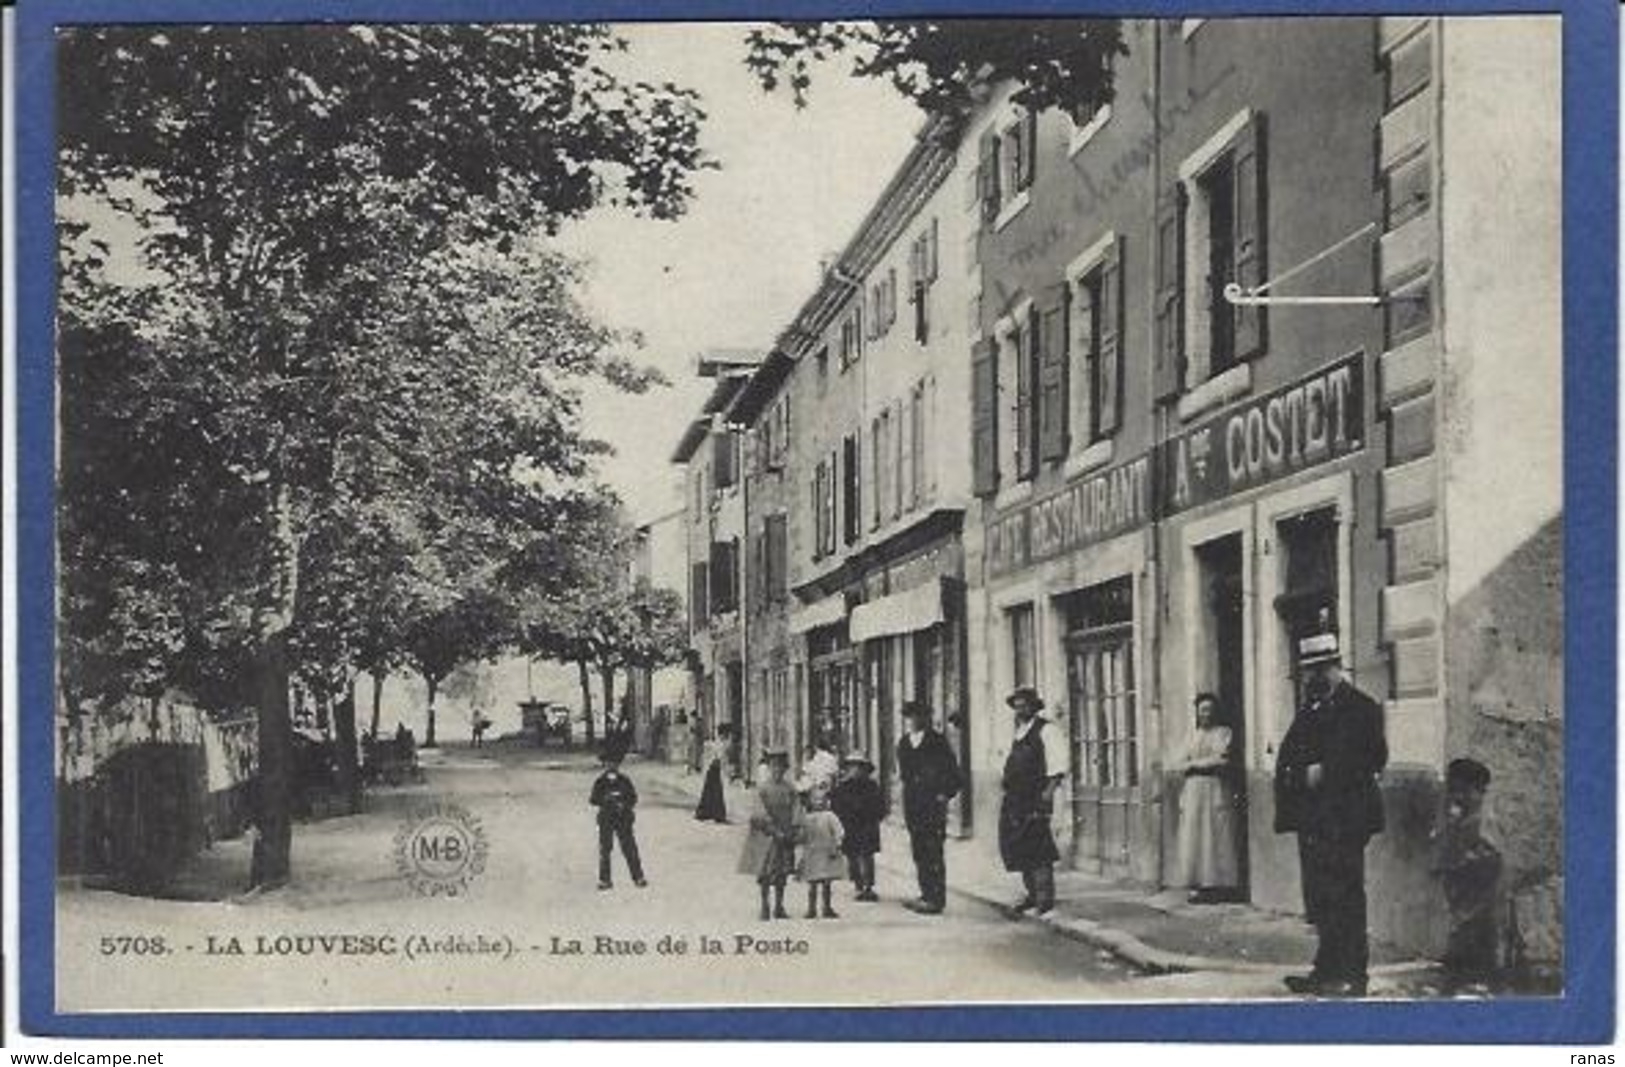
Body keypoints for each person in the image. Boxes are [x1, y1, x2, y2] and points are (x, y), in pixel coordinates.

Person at [1274, 631, 1388, 997]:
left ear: (1334, 667)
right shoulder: (1311, 708)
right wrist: (1297, 774)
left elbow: (1375, 758)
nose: (1311, 678)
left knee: (1347, 896)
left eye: (1318, 670)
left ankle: (1356, 976)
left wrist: (1326, 770)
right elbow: (1290, 754)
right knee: (1321, 898)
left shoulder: (1362, 708)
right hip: (1314, 820)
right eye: (1308, 671)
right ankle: (1325, 971)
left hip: (1347, 819)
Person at [1433, 756, 1502, 992]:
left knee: (1475, 928)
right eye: (1453, 791)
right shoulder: (1460, 817)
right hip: (1461, 887)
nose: (1457, 797)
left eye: (1463, 791)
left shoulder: (1483, 820)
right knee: (1461, 926)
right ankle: (1462, 973)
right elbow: (1449, 847)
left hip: (1477, 887)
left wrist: (1465, 862)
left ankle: (1476, 977)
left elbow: (1491, 856)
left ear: (1478, 791)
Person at [999, 686, 1063, 915]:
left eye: (1024, 705)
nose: (1019, 709)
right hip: (1016, 799)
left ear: (1033, 706)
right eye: (1016, 705)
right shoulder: (1019, 732)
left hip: (1035, 796)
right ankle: (1032, 895)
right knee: (1020, 847)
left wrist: (1048, 794)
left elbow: (1057, 766)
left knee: (1039, 847)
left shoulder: (1046, 731)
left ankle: (1045, 898)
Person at [1174, 692, 1242, 903]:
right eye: (1202, 710)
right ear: (1197, 712)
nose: (1206, 714)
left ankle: (1219, 884)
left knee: (1215, 834)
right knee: (1195, 834)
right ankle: (1198, 884)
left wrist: (1195, 764)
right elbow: (1180, 761)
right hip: (1194, 790)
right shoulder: (1192, 736)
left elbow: (1221, 760)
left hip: (1214, 787)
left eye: (1210, 710)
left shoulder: (1223, 733)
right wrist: (1193, 764)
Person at [896, 700, 962, 915]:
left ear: (926, 718)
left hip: (932, 802)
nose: (915, 720)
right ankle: (925, 893)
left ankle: (936, 898)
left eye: (919, 716)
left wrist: (945, 793)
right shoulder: (904, 743)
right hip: (913, 802)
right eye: (911, 716)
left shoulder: (937, 741)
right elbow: (904, 774)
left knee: (933, 849)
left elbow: (953, 771)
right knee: (918, 850)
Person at [737, 748, 803, 921]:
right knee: (765, 872)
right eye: (774, 767)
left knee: (782, 872)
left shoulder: (790, 788)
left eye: (781, 767)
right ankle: (765, 905)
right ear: (769, 768)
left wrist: (795, 827)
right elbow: (759, 811)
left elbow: (797, 808)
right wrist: (772, 828)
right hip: (766, 836)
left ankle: (779, 906)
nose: (777, 770)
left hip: (785, 833)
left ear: (785, 769)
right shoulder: (763, 789)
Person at [589, 749, 647, 890]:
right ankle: (605, 880)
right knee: (605, 849)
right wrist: (605, 800)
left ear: (618, 765)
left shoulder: (625, 781)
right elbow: (593, 799)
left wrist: (624, 804)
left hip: (623, 818)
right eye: (608, 763)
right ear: (605, 764)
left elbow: (633, 798)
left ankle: (638, 877)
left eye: (614, 763)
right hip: (606, 818)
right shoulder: (600, 781)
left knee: (629, 848)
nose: (611, 766)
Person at [830, 751, 884, 902]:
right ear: (847, 769)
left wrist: (874, 817)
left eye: (859, 767)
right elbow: (836, 806)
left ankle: (868, 886)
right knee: (852, 856)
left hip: (867, 826)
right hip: (850, 827)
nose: (856, 770)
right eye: (852, 767)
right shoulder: (842, 787)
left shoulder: (872, 786)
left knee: (867, 856)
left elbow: (880, 806)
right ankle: (858, 885)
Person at [798, 789, 845, 919]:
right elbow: (802, 835)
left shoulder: (830, 816)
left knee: (826, 882)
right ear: (810, 802)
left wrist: (837, 844)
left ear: (826, 802)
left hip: (827, 851)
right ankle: (811, 908)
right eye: (815, 800)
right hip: (812, 852)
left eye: (821, 800)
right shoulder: (806, 818)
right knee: (812, 883)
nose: (818, 803)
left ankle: (827, 907)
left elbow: (839, 831)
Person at [795, 732, 841, 809]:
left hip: (824, 796)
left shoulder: (826, 759)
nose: (806, 754)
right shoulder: (808, 762)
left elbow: (832, 778)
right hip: (813, 795)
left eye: (807, 750)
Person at [694, 725, 730, 823]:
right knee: (715, 792)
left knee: (711, 791)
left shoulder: (717, 743)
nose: (726, 736)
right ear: (722, 734)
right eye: (725, 734)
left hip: (713, 769)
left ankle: (707, 813)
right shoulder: (720, 744)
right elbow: (718, 757)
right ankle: (715, 814)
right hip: (714, 769)